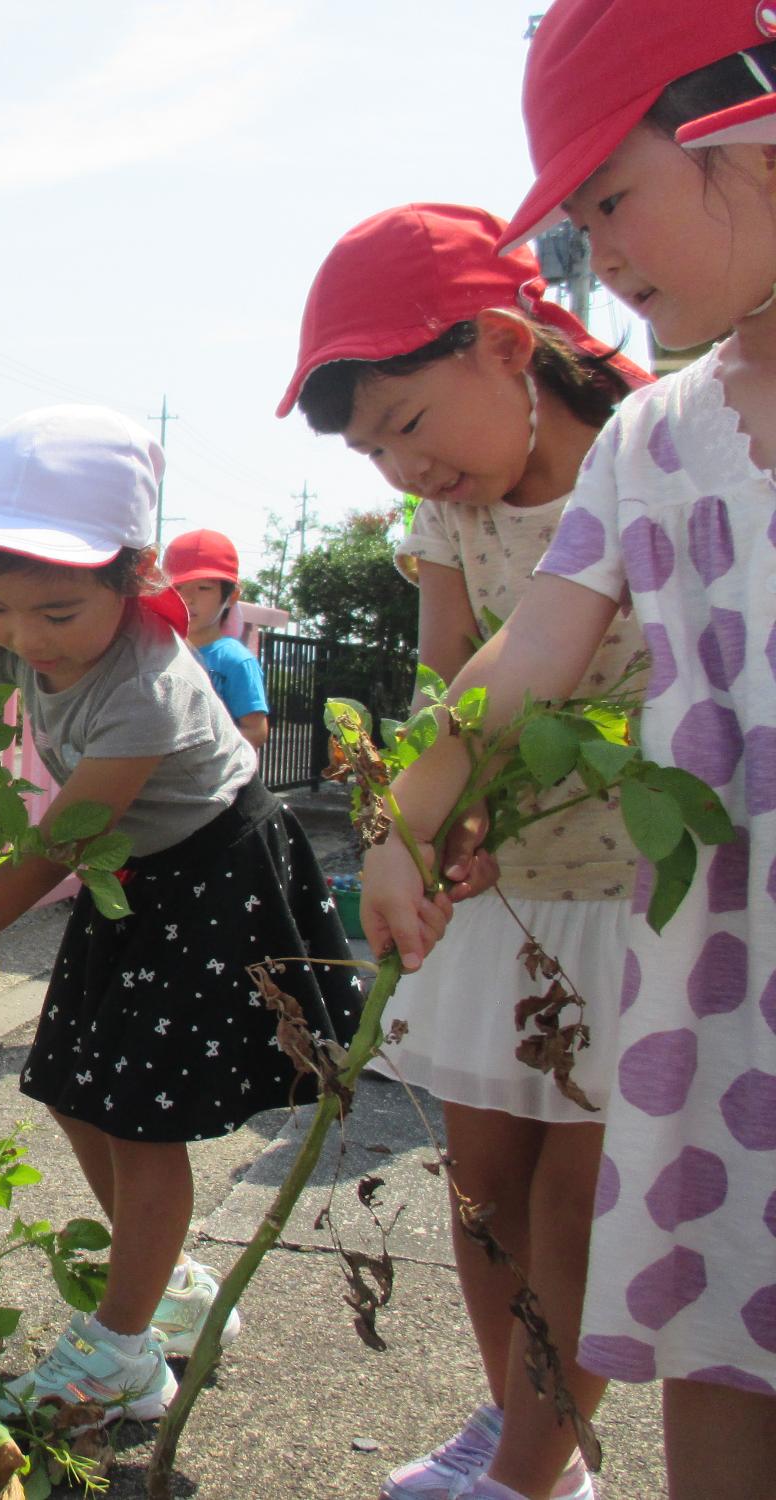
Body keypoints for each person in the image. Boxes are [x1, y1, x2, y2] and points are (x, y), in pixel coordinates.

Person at [361, 8, 776, 1496]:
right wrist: (410, 813)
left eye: (609, 200)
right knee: (722, 1347)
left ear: (745, 116)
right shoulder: (655, 439)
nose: (598, 260)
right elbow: (522, 653)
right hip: (725, 985)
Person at [0, 406, 364, 1419]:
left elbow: (54, 854)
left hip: (207, 881)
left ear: (130, 580)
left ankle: (122, 1351)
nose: (26, 638)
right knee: (71, 1086)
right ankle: (163, 1289)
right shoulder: (14, 634)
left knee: (138, 1120)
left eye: (56, 613)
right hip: (134, 879)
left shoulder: (147, 687)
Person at [281, 201, 651, 1500]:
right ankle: (526, 1437)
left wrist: (416, 817)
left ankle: (534, 1468)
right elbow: (452, 672)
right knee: (484, 1183)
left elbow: (541, 657)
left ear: (505, 346)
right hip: (505, 886)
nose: (405, 470)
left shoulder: (646, 452)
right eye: (375, 451)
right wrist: (453, 818)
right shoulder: (450, 520)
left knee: (576, 1202)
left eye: (411, 425)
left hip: (639, 900)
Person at [162, 529, 269, 753]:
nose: (188, 599)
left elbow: (256, 732)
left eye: (204, 588)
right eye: (178, 588)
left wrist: (198, 752)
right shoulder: (159, 652)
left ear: (231, 597)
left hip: (216, 785)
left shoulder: (235, 661)